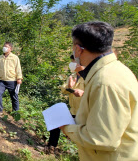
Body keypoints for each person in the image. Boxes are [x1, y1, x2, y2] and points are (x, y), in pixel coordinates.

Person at [60, 21, 138, 160]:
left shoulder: (105, 82)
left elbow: (101, 138)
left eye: (73, 46)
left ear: (78, 49)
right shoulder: (117, 70)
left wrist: (66, 127)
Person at [46, 55, 85, 154]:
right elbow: (63, 90)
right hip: (73, 111)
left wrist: (83, 93)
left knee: (80, 136)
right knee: (56, 118)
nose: (72, 64)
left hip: (84, 114)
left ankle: (74, 152)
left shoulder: (89, 78)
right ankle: (51, 146)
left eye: (74, 62)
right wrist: (69, 86)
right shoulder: (72, 77)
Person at [0, 42, 23, 113]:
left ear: (10, 48)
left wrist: (19, 78)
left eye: (6, 46)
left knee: (14, 97)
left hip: (12, 80)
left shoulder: (15, 57)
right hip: (2, 81)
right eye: (4, 46)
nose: (5, 48)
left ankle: (16, 113)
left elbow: (18, 68)